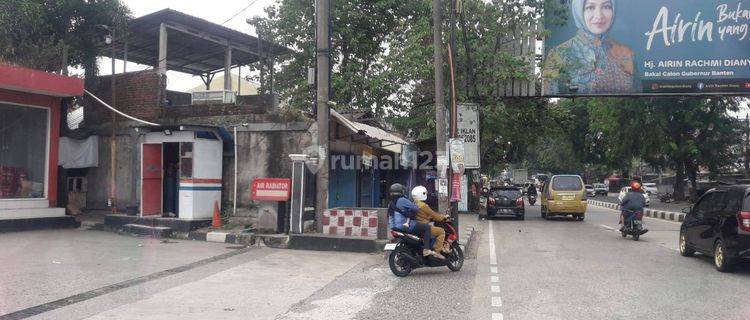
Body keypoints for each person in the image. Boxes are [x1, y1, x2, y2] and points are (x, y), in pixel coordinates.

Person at [542, 0, 634, 95]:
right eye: (590, 7)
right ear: (578, 11)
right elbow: (550, 99)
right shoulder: (558, 54)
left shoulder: (626, 53)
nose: (599, 16)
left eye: (606, 7)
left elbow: (636, 94)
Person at [387, 183, 445, 259]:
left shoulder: (390, 203)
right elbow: (415, 208)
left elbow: (390, 217)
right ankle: (426, 249)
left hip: (395, 228)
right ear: (401, 192)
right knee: (427, 228)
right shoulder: (403, 200)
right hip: (407, 225)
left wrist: (393, 228)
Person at [411, 186, 450, 256]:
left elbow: (426, 215)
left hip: (416, 226)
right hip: (424, 226)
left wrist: (432, 217)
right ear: (421, 194)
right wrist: (444, 217)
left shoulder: (413, 204)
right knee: (441, 231)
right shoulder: (423, 206)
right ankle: (437, 251)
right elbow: (435, 215)